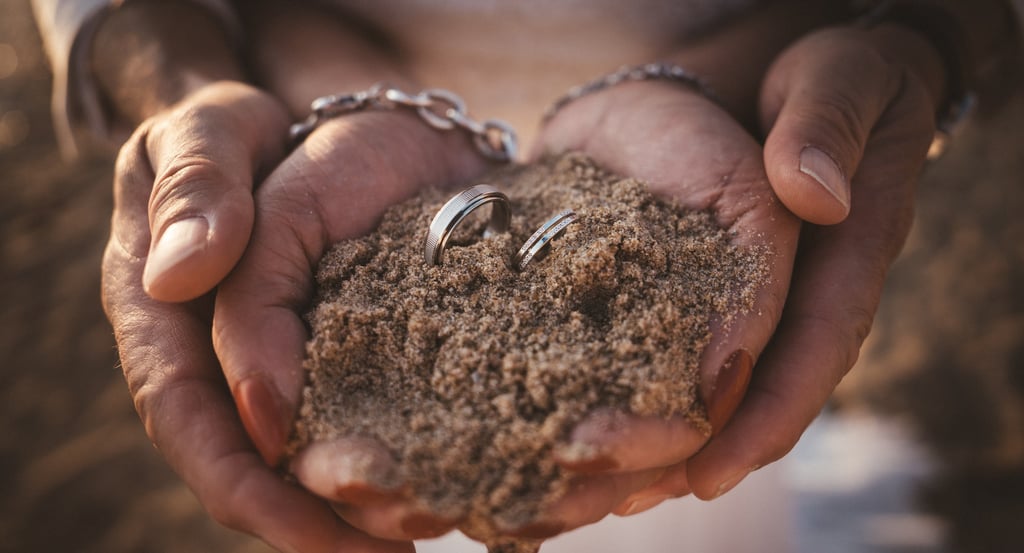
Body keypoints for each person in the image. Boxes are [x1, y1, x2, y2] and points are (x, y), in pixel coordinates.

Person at [31, 0, 1023, 551]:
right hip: (323, 137)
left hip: (713, 123)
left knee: (686, 489)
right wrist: (184, 83)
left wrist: (917, 36)